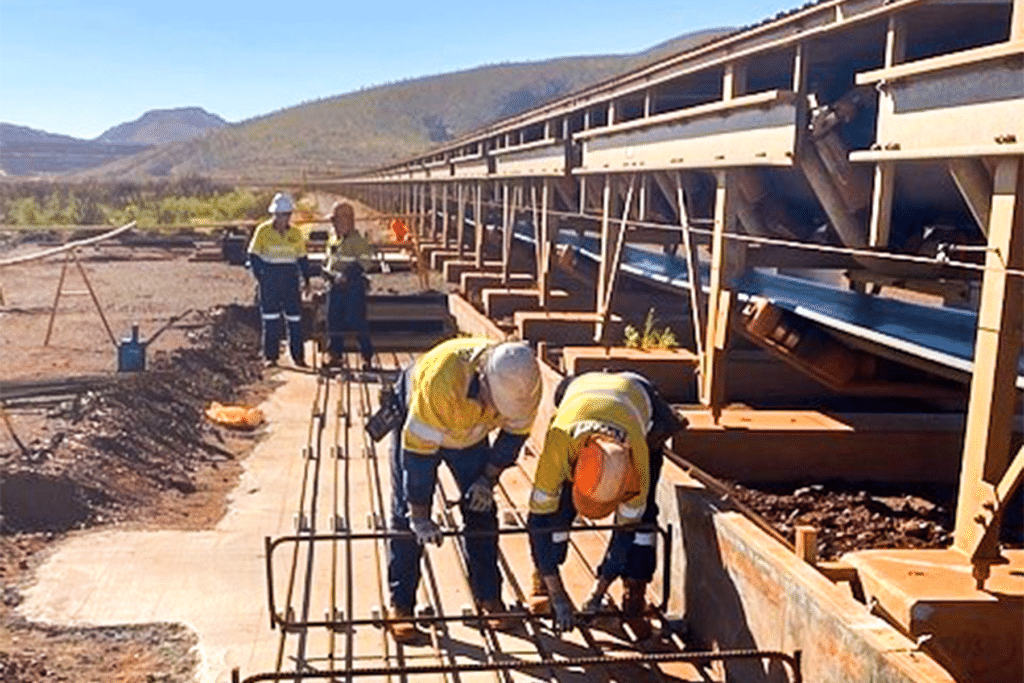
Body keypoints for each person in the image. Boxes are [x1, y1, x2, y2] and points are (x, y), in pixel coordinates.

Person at [386, 337, 542, 645]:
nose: (496, 410)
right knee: (406, 518)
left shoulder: (524, 387)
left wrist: (487, 479)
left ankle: (489, 598)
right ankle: (401, 607)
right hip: (422, 418)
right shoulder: (443, 382)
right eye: (494, 402)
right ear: (483, 380)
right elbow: (417, 460)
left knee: (481, 511)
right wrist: (420, 515)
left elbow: (513, 437)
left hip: (469, 434)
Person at [526, 371, 685, 639]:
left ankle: (634, 596)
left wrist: (597, 593)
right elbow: (537, 522)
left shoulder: (638, 461)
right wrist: (558, 593)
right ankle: (544, 583)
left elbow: (625, 532)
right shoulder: (559, 443)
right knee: (555, 510)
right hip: (581, 394)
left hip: (637, 397)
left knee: (643, 521)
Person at [247, 192, 310, 367]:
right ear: (274, 214)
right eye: (281, 215)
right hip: (270, 279)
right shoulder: (263, 231)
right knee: (270, 319)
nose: (284, 218)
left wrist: (306, 280)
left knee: (295, 319)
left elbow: (302, 258)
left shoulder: (296, 233)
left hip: (290, 280)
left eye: (287, 215)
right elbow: (253, 256)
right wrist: (261, 278)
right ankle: (271, 357)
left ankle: (298, 357)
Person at [322, 202, 375, 369]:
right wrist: (327, 273)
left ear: (347, 221)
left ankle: (366, 357)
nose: (333, 225)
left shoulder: (357, 241)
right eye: (333, 221)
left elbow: (365, 262)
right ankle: (335, 355)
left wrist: (348, 274)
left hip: (353, 286)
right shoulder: (334, 239)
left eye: (336, 221)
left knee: (356, 320)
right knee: (333, 320)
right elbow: (329, 260)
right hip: (334, 285)